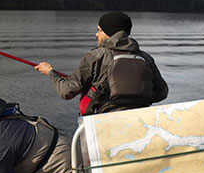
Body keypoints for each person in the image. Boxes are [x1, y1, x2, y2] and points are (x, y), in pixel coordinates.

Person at [35, 11, 168, 115]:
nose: (96, 34)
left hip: (103, 124)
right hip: (140, 121)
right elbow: (162, 93)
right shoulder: (146, 58)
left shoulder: (95, 56)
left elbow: (67, 91)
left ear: (109, 32)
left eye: (99, 30)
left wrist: (50, 72)